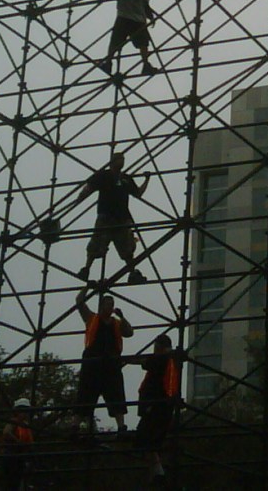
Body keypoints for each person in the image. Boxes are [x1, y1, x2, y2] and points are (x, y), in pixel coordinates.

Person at [76, 151, 151, 284]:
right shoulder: (104, 175)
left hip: (121, 218)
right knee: (96, 244)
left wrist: (147, 180)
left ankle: (132, 273)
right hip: (106, 215)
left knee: (126, 249)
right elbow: (89, 187)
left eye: (123, 159)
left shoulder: (125, 179)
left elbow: (138, 193)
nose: (122, 161)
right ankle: (86, 269)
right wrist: (80, 197)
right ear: (112, 161)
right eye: (119, 159)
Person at [73, 288, 134, 435]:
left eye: (111, 304)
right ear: (101, 306)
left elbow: (129, 332)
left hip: (111, 363)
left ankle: (121, 427)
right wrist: (87, 287)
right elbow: (79, 301)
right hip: (92, 363)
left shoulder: (116, 323)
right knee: (85, 395)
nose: (110, 307)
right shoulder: (91, 318)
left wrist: (122, 317)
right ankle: (75, 426)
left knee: (116, 395)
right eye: (107, 304)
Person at [126, 334, 183, 486]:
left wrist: (125, 359)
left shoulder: (162, 360)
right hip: (164, 408)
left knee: (145, 440)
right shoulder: (172, 361)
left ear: (159, 347)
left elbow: (145, 362)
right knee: (152, 443)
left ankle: (158, 474)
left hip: (156, 408)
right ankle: (157, 474)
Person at [99, 0, 158, 76]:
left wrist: (150, 15)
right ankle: (108, 63)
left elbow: (145, 3)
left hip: (137, 19)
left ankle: (145, 65)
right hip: (125, 17)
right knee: (115, 42)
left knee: (143, 44)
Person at [0, 397, 34, 490]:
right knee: (13, 481)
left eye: (26, 411)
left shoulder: (25, 424)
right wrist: (18, 442)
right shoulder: (13, 422)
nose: (24, 413)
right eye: (22, 410)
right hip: (12, 455)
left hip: (21, 456)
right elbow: (6, 433)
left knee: (20, 480)